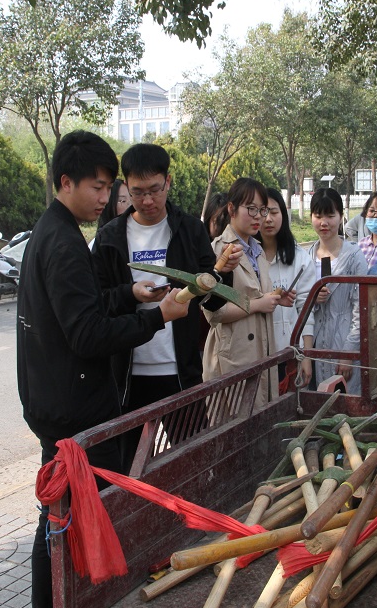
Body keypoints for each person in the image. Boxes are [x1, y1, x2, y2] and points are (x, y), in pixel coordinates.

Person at [16, 132, 191, 608]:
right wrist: (158, 317)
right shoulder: (64, 242)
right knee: (63, 517)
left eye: (108, 187)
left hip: (57, 400)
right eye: (96, 187)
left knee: (62, 512)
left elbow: (84, 308)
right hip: (73, 408)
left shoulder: (55, 231)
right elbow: (88, 334)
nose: (105, 198)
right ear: (65, 182)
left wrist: (130, 295)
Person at [91, 143, 238, 466]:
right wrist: (131, 293)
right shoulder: (110, 237)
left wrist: (222, 272)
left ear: (168, 182)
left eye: (155, 190)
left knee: (193, 463)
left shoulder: (189, 230)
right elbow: (98, 302)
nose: (147, 200)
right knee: (128, 468)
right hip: (128, 378)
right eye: (137, 192)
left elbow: (213, 298)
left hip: (180, 373)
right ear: (126, 187)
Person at [202, 178, 281, 407]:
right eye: (251, 209)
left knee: (262, 415)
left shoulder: (257, 250)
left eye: (262, 210)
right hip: (233, 354)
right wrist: (258, 305)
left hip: (261, 348)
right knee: (236, 419)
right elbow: (214, 313)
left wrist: (275, 297)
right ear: (232, 209)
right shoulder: (219, 250)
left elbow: (256, 293)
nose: (259, 217)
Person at [308, 187, 368, 395]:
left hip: (345, 345)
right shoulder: (306, 257)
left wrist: (349, 352)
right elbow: (299, 305)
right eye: (318, 216)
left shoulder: (354, 257)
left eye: (330, 215)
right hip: (315, 349)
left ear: (341, 217)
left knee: (346, 402)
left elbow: (361, 308)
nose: (324, 222)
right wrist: (313, 300)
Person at [259, 187, 316, 387]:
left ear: (283, 214)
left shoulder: (300, 258)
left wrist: (306, 356)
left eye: (274, 212)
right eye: (263, 212)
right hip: (256, 356)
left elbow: (306, 311)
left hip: (291, 355)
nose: (268, 219)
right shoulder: (247, 259)